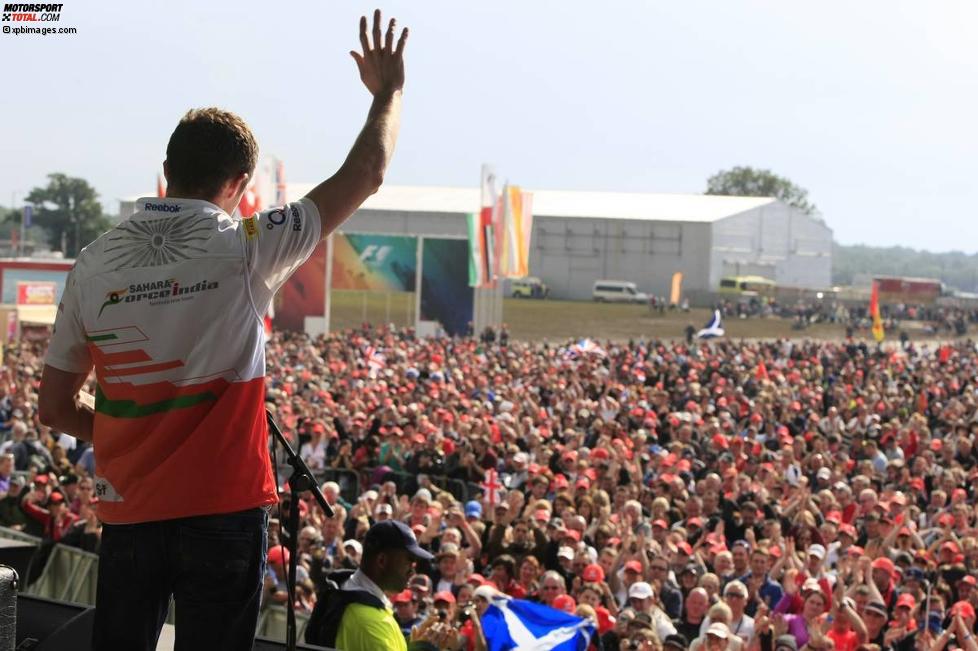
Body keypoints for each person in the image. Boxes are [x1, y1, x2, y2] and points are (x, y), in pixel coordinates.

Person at [36, 10, 409, 650]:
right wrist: (388, 94)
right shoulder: (246, 246)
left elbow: (53, 405)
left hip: (129, 512)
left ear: (166, 169)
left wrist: (135, 428)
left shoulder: (93, 261)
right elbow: (366, 173)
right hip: (222, 513)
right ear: (238, 185)